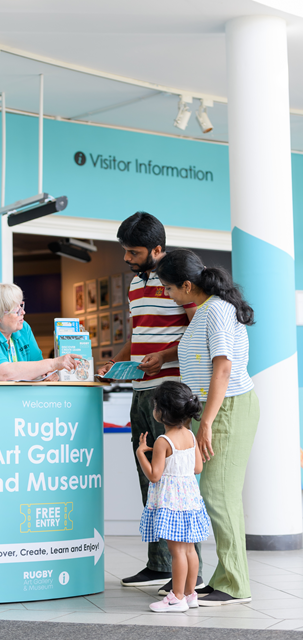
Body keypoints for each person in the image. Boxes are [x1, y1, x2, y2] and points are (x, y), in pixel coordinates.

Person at [97, 212, 205, 590]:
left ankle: (189, 573)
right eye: (124, 251)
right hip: (140, 390)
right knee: (151, 478)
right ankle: (160, 564)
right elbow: (139, 333)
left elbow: (198, 331)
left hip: (171, 390)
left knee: (176, 483)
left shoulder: (179, 281)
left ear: (157, 249)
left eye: (134, 252)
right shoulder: (134, 287)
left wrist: (164, 357)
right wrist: (120, 362)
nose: (127, 258)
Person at [157, 249, 260, 606]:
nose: (168, 296)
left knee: (218, 495)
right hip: (216, 409)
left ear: (187, 285)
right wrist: (164, 356)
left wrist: (207, 424)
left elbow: (223, 369)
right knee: (214, 495)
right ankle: (226, 577)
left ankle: (234, 584)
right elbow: (202, 355)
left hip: (228, 408)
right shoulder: (206, 311)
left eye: (169, 289)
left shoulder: (215, 310)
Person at [137, 382, 210, 613]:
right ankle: (190, 594)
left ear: (161, 413)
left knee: (176, 552)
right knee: (189, 550)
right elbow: (197, 467)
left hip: (171, 504)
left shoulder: (162, 441)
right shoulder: (189, 434)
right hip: (190, 501)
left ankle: (176, 598)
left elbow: (154, 475)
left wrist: (141, 454)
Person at [0, 283, 79, 381]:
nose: (23, 312)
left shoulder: (23, 328)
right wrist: (53, 364)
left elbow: (39, 367)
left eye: (21, 305)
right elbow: (3, 374)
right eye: (17, 310)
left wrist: (46, 375)